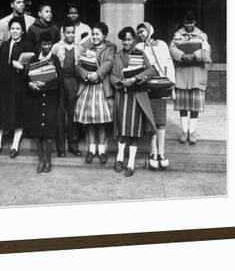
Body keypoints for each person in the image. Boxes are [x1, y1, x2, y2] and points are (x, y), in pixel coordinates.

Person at [110, 26, 158, 177]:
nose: (126, 42)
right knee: (122, 130)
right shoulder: (117, 55)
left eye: (129, 39)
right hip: (122, 96)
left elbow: (151, 70)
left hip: (136, 96)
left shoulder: (140, 53)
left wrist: (135, 79)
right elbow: (112, 74)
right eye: (124, 39)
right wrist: (120, 82)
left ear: (134, 40)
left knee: (134, 131)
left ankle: (130, 163)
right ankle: (119, 159)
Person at [135, 22, 176, 170]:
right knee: (150, 121)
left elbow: (168, 63)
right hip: (147, 86)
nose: (141, 34)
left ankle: (162, 153)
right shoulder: (138, 47)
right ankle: (153, 152)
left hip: (161, 86)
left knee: (161, 121)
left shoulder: (162, 45)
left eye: (143, 31)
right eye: (138, 32)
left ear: (149, 31)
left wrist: (172, 85)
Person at [0, 17, 29, 157]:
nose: (15, 31)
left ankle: (15, 145)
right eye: (13, 29)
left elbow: (31, 66)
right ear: (9, 30)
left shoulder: (26, 45)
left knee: (18, 114)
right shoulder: (4, 45)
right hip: (3, 85)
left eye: (18, 29)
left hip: (19, 86)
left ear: (22, 31)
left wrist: (23, 67)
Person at [74, 22, 116, 165]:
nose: (95, 37)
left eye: (97, 34)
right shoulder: (87, 48)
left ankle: (102, 150)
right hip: (88, 87)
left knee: (102, 121)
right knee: (90, 120)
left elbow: (109, 63)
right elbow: (78, 65)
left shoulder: (110, 48)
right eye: (93, 34)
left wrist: (97, 74)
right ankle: (91, 149)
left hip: (102, 87)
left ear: (104, 35)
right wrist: (86, 75)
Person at [169, 11, 212, 144]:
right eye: (186, 22)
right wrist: (182, 55)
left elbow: (207, 49)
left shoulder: (202, 35)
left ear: (195, 23)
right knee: (183, 105)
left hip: (196, 73)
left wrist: (194, 55)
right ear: (184, 23)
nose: (188, 25)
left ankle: (192, 132)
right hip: (182, 73)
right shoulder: (177, 35)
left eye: (191, 22)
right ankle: (184, 131)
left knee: (194, 105)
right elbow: (171, 49)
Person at [24, 31, 62, 173]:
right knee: (38, 132)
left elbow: (59, 79)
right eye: (44, 44)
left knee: (49, 132)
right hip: (37, 99)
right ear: (40, 44)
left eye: (49, 44)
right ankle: (41, 161)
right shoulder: (34, 59)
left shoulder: (55, 59)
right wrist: (30, 84)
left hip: (50, 99)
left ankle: (48, 161)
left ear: (52, 44)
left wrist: (46, 83)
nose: (46, 47)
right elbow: (28, 77)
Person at [52, 19, 82, 157]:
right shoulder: (57, 47)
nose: (70, 35)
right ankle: (60, 148)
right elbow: (49, 63)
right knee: (60, 115)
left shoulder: (79, 48)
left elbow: (82, 67)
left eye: (72, 32)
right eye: (68, 32)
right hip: (60, 82)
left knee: (72, 115)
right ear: (63, 33)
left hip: (73, 82)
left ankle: (73, 146)